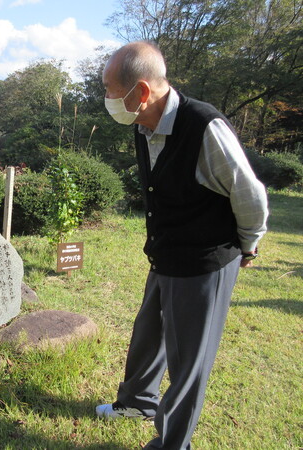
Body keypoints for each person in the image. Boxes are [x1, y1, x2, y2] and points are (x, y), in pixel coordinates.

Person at [97, 41, 268, 449]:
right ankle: (137, 402)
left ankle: (172, 444)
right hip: (166, 252)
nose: (105, 99)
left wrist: (247, 246)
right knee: (149, 332)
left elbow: (250, 195)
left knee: (189, 362)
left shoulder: (204, 125)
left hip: (205, 260)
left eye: (109, 89)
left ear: (140, 91)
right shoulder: (144, 124)